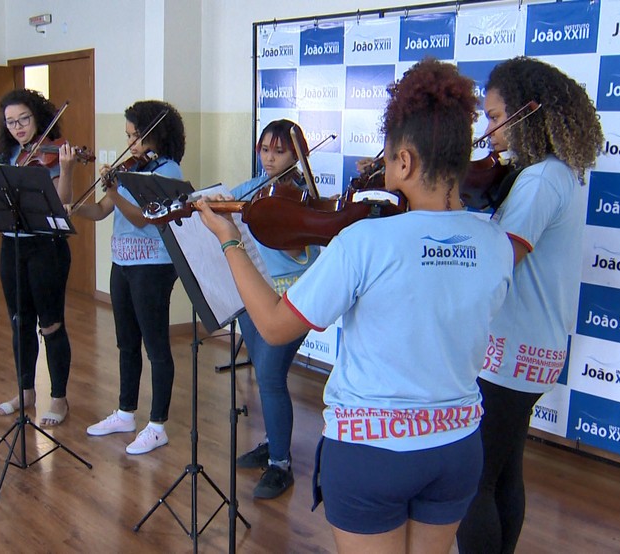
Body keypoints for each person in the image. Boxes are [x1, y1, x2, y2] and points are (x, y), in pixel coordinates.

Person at [196, 59, 514, 553]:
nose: (381, 172)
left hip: (373, 451)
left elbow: (277, 328)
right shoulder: (496, 242)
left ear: (404, 162)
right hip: (456, 445)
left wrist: (230, 242)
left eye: (386, 162)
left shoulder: (365, 240)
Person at [456, 57, 604, 554]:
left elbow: (502, 259)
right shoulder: (557, 172)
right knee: (503, 471)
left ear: (528, 112)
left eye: (496, 117)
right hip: (535, 348)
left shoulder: (540, 179)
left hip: (511, 352)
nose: (489, 130)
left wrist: (452, 221)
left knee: (474, 482)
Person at [70, 100, 185, 455]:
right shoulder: (130, 170)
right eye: (128, 137)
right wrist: (75, 207)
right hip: (122, 263)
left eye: (136, 136)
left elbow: (142, 218)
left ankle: (157, 424)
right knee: (126, 343)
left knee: (156, 346)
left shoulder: (169, 172)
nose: (131, 144)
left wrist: (114, 191)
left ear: (157, 135)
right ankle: (125, 412)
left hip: (154, 266)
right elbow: (103, 211)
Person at [220, 119, 322, 499]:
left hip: (290, 301)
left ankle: (281, 464)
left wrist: (276, 220)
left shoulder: (304, 197)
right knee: (265, 377)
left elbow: (301, 253)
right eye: (265, 149)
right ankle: (272, 442)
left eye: (280, 151)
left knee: (270, 375)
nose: (270, 159)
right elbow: (224, 214)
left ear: (298, 155)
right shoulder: (250, 190)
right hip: (253, 296)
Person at [0, 89, 77, 428]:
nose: (18, 127)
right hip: (11, 245)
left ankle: (59, 396)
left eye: (23, 119)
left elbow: (62, 202)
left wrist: (67, 170)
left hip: (46, 247)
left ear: (38, 116)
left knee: (51, 324)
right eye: (11, 122)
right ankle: (25, 391)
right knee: (19, 321)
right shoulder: (8, 155)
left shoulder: (55, 154)